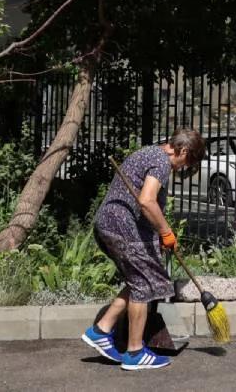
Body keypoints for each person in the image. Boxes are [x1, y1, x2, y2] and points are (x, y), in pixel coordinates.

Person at [82, 128, 205, 370]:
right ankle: (135, 352)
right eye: (187, 161)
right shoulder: (162, 161)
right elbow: (147, 200)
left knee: (140, 278)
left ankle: (101, 330)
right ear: (183, 150)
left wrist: (156, 231)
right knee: (144, 283)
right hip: (123, 226)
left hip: (108, 223)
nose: (182, 168)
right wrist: (166, 231)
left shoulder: (148, 152)